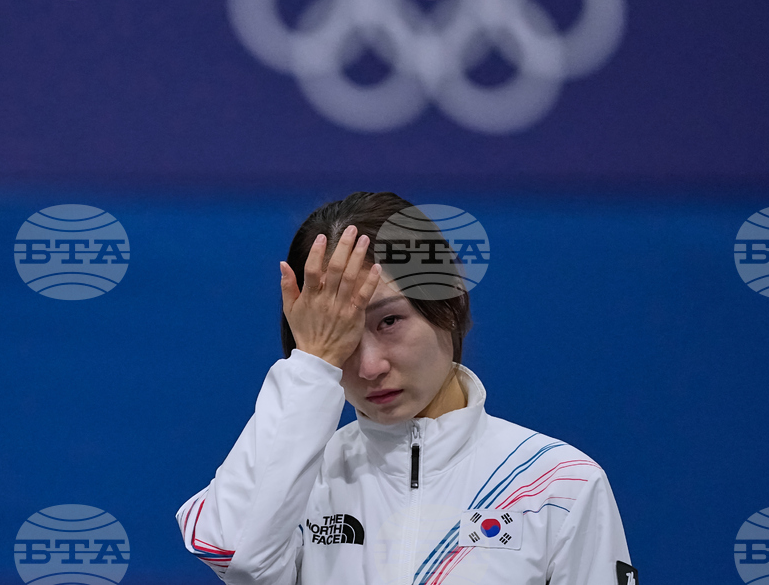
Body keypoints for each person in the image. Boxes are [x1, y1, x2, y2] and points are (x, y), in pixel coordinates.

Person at [175, 191, 635, 585]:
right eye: (340, 337)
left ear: (449, 301)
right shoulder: (300, 479)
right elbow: (230, 554)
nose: (370, 366)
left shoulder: (558, 483)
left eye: (390, 321)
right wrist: (313, 365)